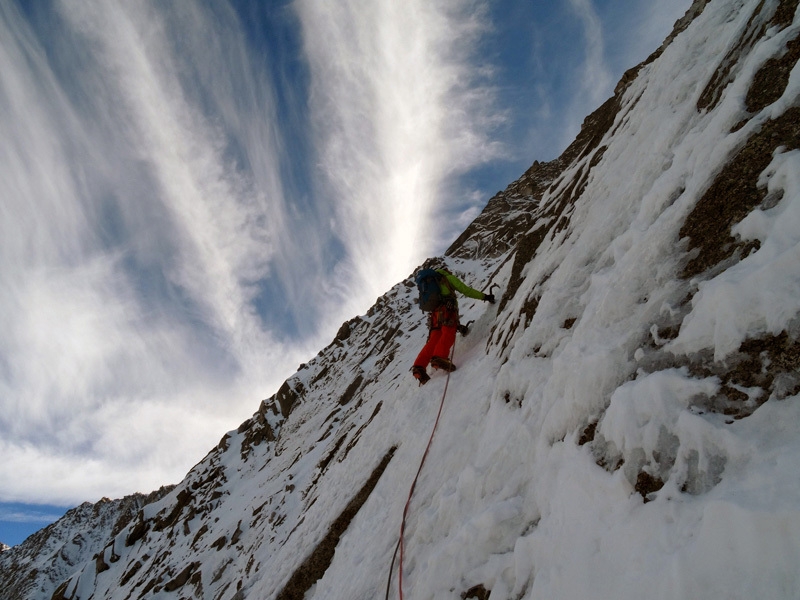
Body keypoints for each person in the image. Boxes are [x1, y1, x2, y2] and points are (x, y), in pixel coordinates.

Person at [411, 268, 495, 385]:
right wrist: (485, 297)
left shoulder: (431, 283)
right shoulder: (447, 278)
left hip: (434, 315)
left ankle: (419, 367)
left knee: (433, 340)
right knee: (448, 333)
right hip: (447, 309)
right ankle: (440, 357)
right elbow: (466, 290)